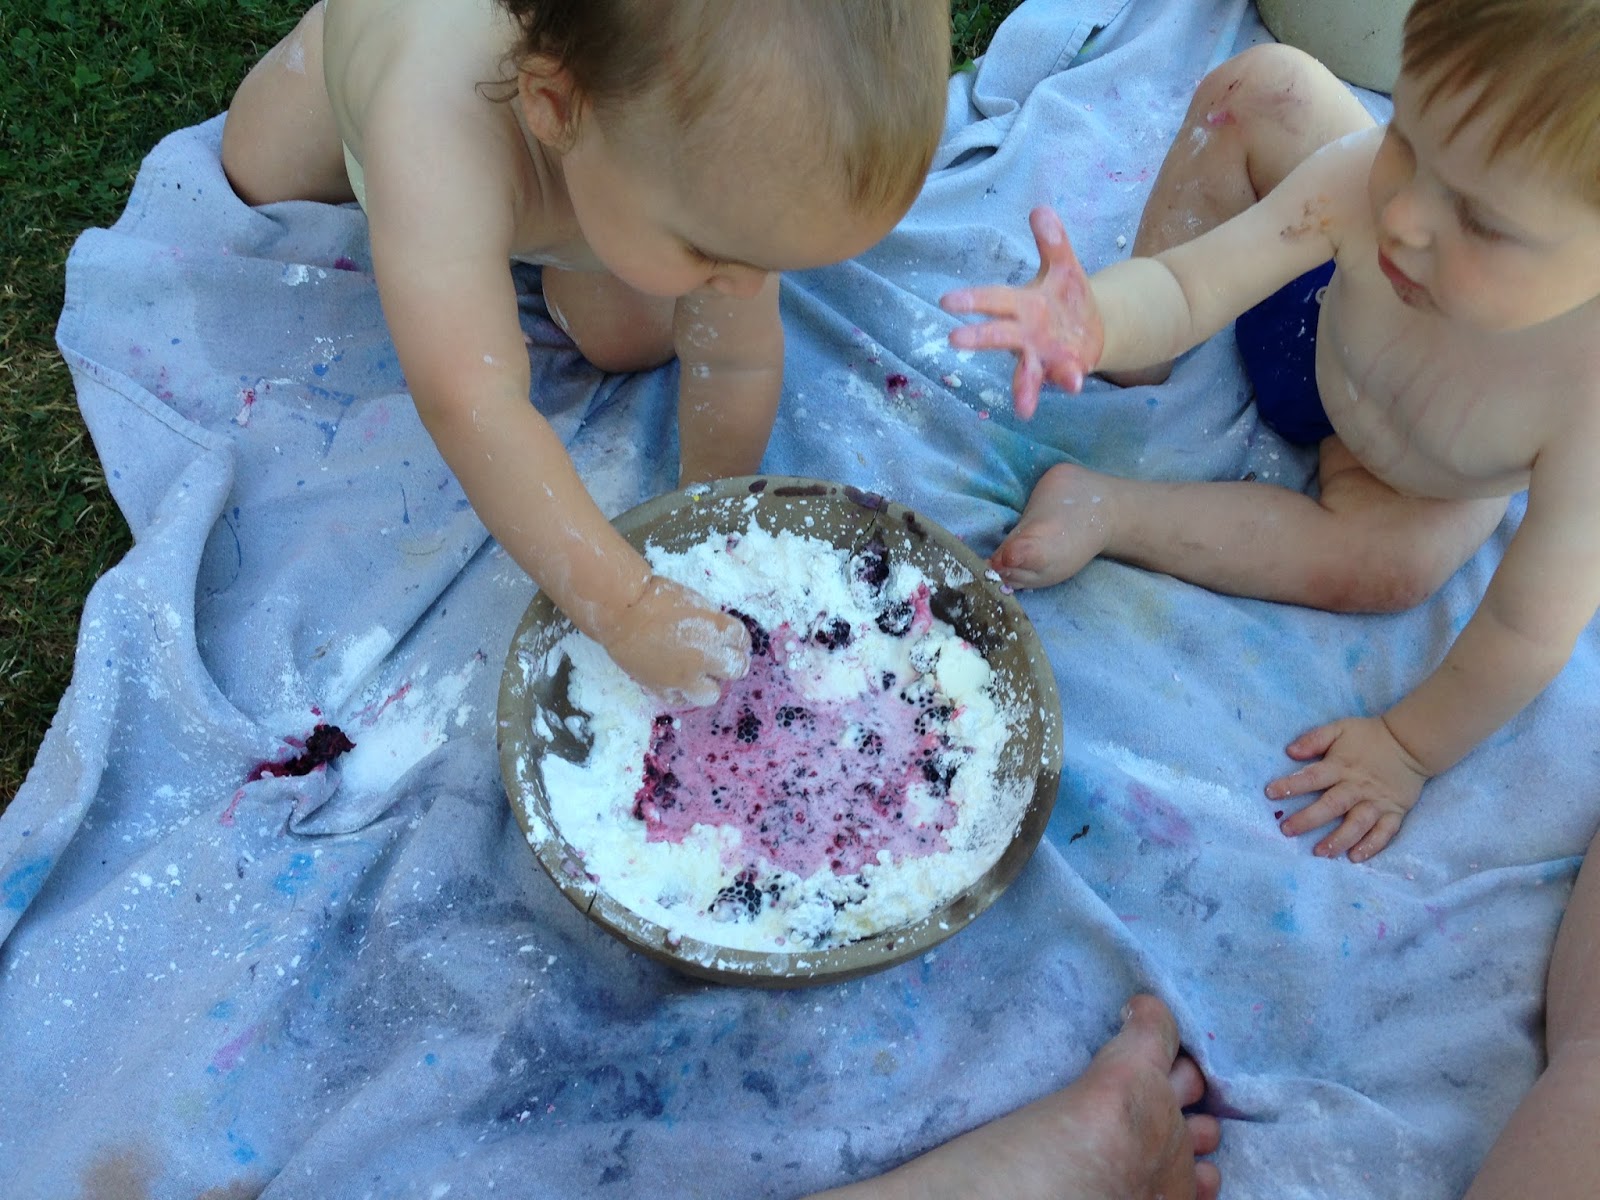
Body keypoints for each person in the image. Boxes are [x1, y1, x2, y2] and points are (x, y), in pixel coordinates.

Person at [939, 0, 1600, 861]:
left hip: (1406, 479)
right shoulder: (1368, 188)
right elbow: (1189, 289)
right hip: (1306, 316)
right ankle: (1128, 365)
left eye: (1480, 218)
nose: (1404, 214)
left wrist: (1408, 747)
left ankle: (1110, 510)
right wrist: (1100, 318)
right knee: (1264, 89)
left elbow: (1527, 628)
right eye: (1411, 137)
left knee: (1396, 567)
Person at [220, 0, 950, 706]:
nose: (751, 286)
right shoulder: (430, 136)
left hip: (586, 163)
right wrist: (625, 605)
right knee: (256, 168)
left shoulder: (673, 156)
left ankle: (599, 241)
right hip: (397, 78)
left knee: (631, 340)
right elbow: (471, 402)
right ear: (553, 105)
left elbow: (734, 360)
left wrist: (711, 522)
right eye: (715, 251)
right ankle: (327, 46)